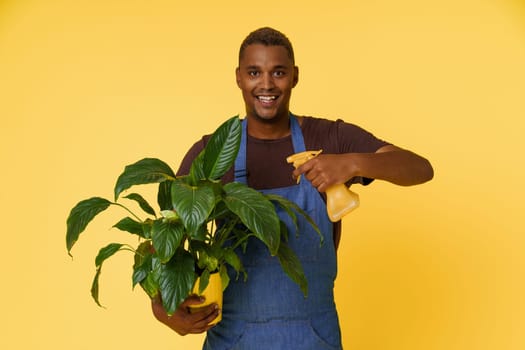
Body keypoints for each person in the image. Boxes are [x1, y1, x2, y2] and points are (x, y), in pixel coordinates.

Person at [151, 27, 433, 349]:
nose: (267, 84)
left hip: (315, 337)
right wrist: (162, 307)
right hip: (232, 339)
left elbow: (420, 169)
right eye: (254, 72)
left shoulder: (328, 138)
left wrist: (353, 163)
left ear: (295, 76)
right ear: (239, 78)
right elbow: (162, 238)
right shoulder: (213, 152)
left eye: (279, 72)